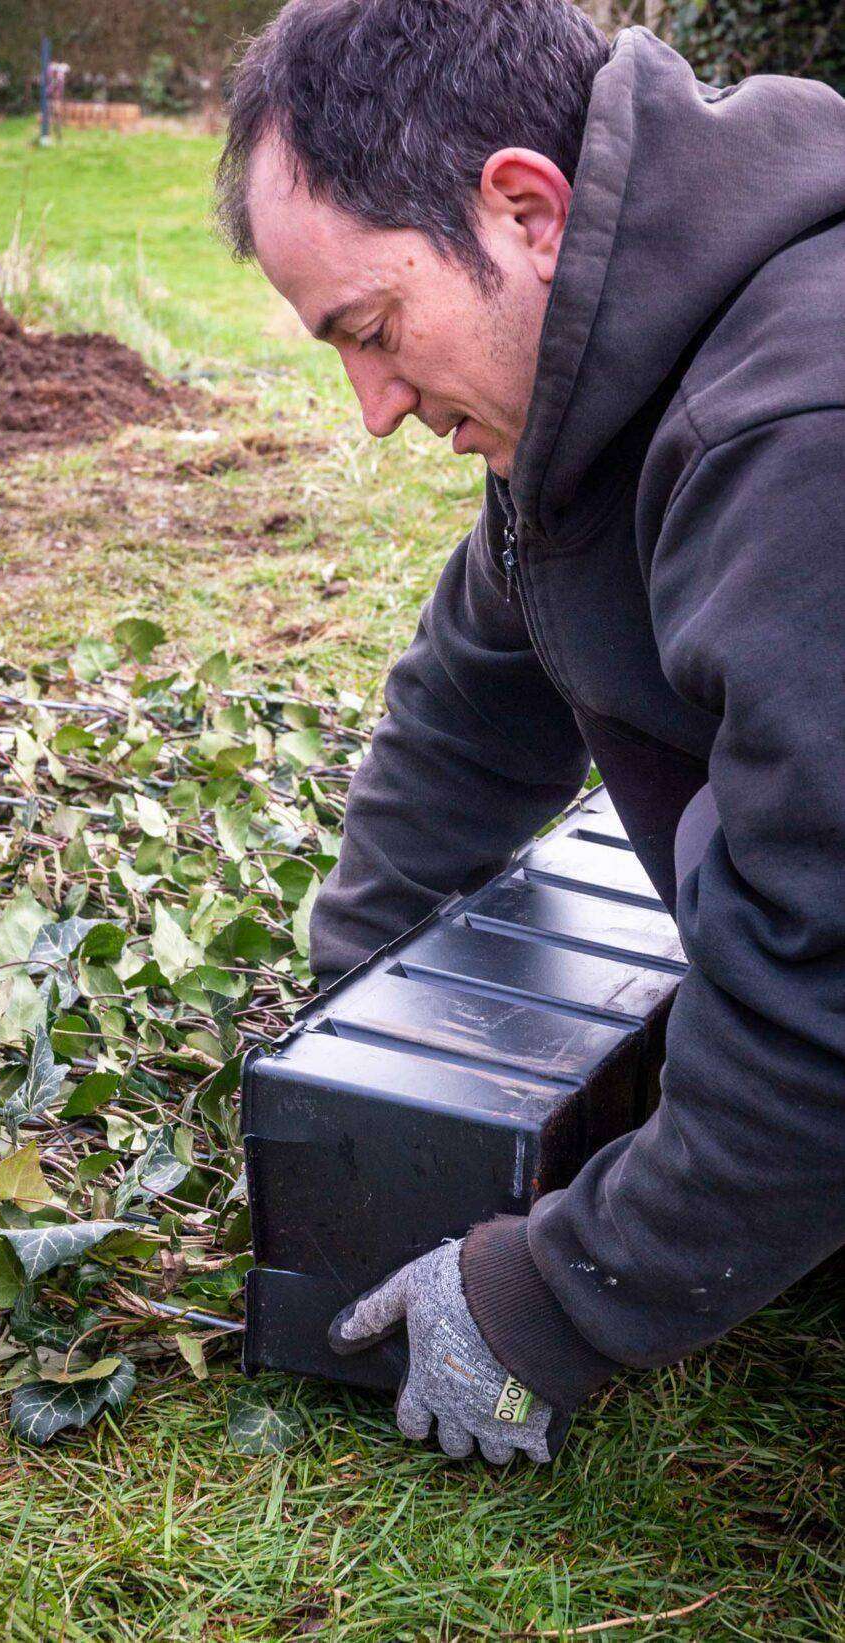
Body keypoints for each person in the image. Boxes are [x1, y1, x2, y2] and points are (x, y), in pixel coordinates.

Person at [214, 0, 845, 1465]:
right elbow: (473, 700)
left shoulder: (801, 434)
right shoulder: (610, 379)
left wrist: (550, 1299)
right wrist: (334, 1065)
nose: (371, 409)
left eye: (374, 331)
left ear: (525, 208)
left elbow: (829, 982)